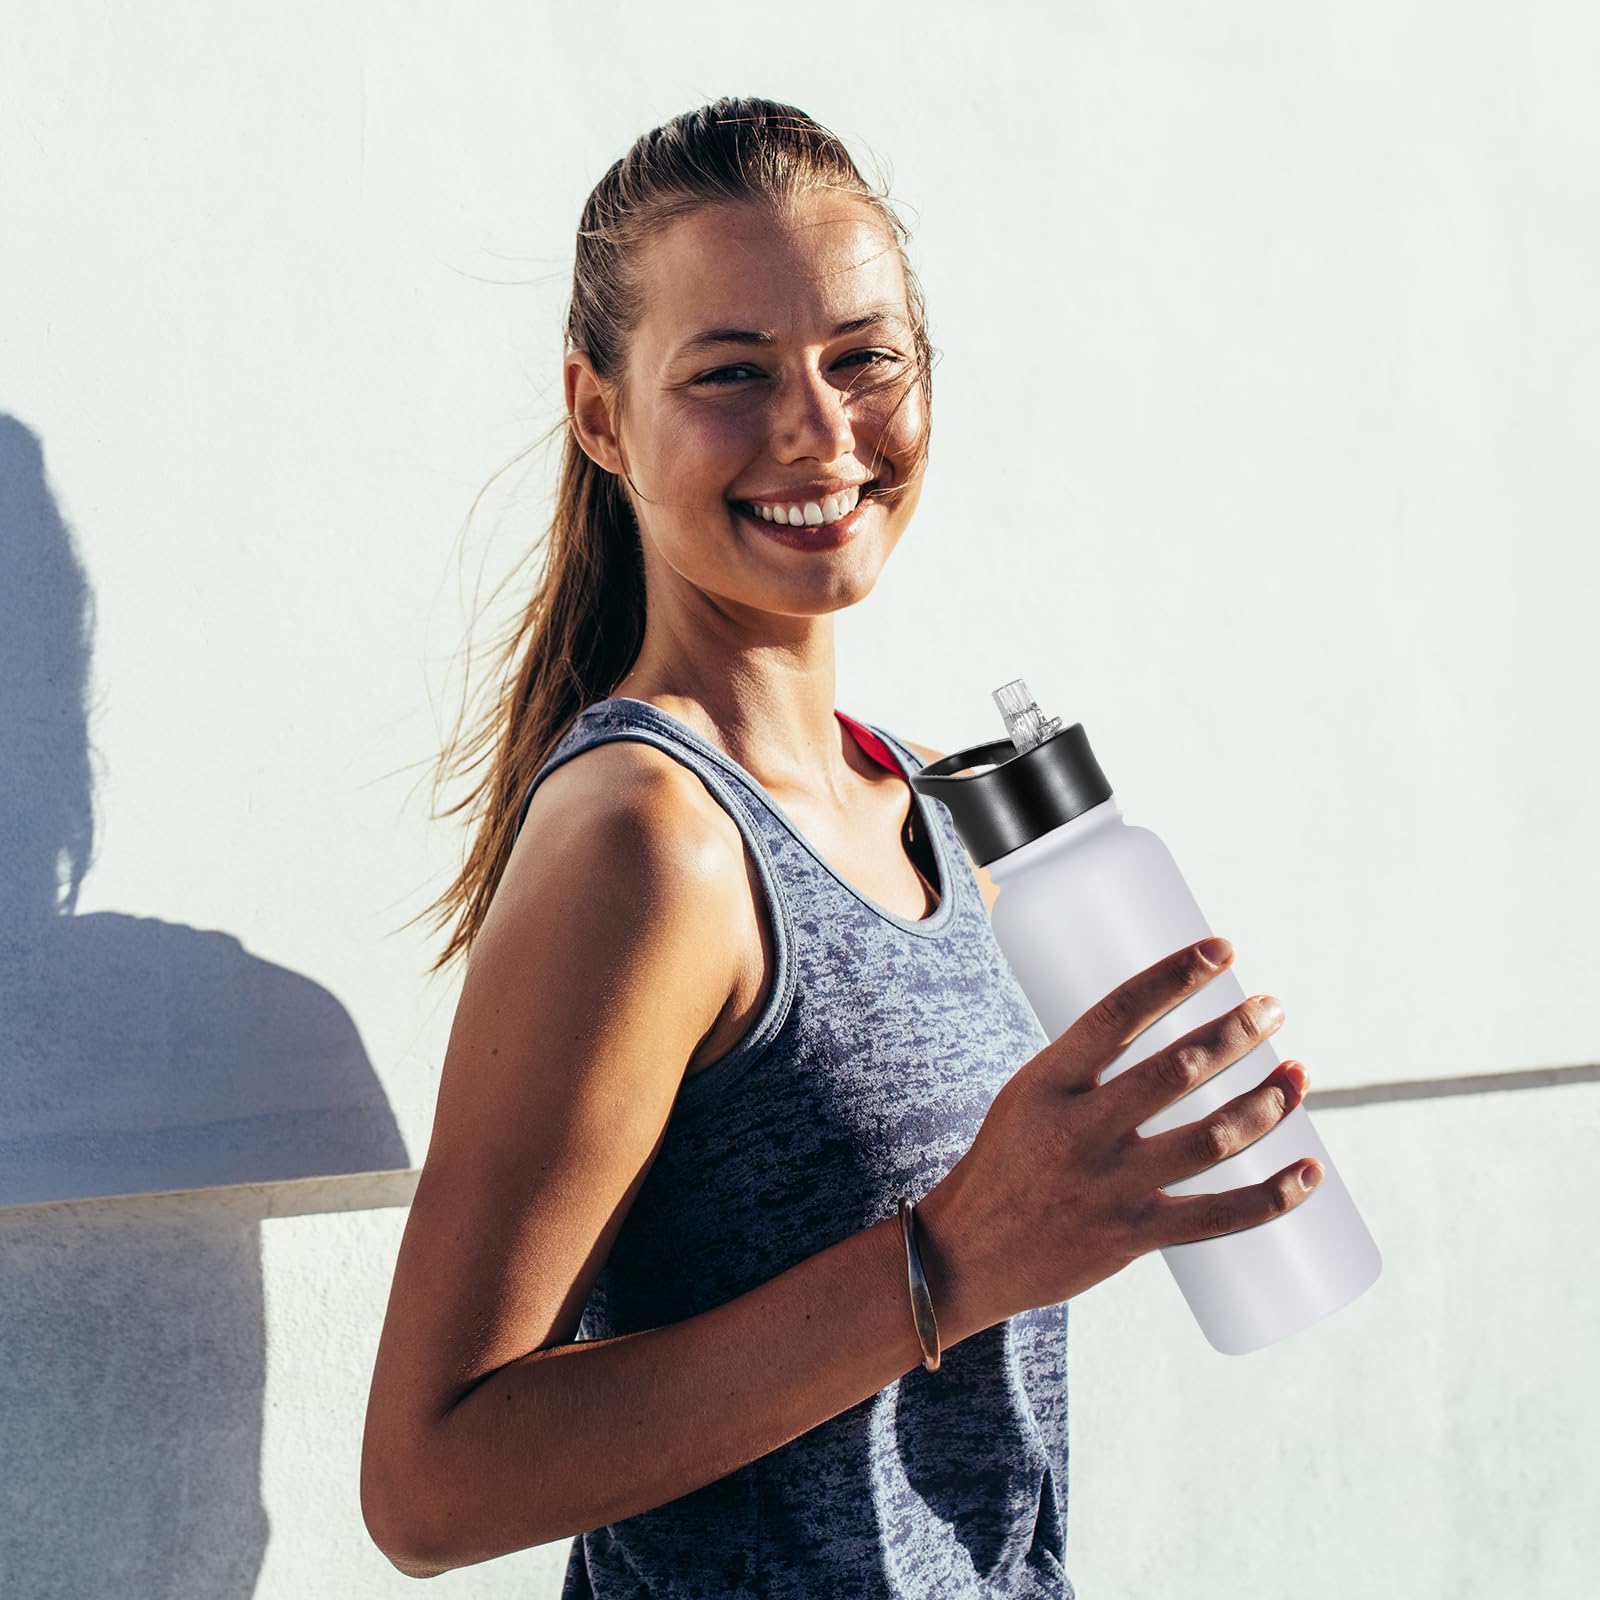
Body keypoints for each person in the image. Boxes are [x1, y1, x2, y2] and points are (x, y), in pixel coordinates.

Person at [359, 97, 1319, 1598]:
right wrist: (951, 1259)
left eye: (863, 357)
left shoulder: (929, 796)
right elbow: (430, 1485)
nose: (818, 430)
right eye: (733, 374)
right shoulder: (652, 841)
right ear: (602, 414)